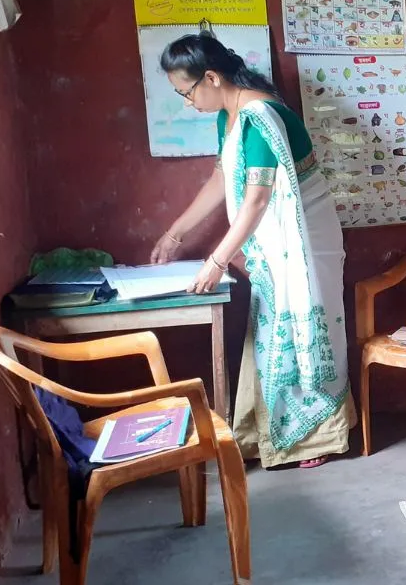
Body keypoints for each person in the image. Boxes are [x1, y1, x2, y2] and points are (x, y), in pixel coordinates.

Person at [150, 31, 354, 469]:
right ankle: (268, 431)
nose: (187, 102)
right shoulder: (230, 115)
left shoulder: (260, 116)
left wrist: (218, 259)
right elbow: (223, 180)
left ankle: (316, 437)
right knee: (271, 332)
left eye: (186, 92)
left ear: (211, 77)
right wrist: (175, 232)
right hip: (271, 244)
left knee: (302, 327)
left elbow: (257, 200)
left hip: (304, 242)